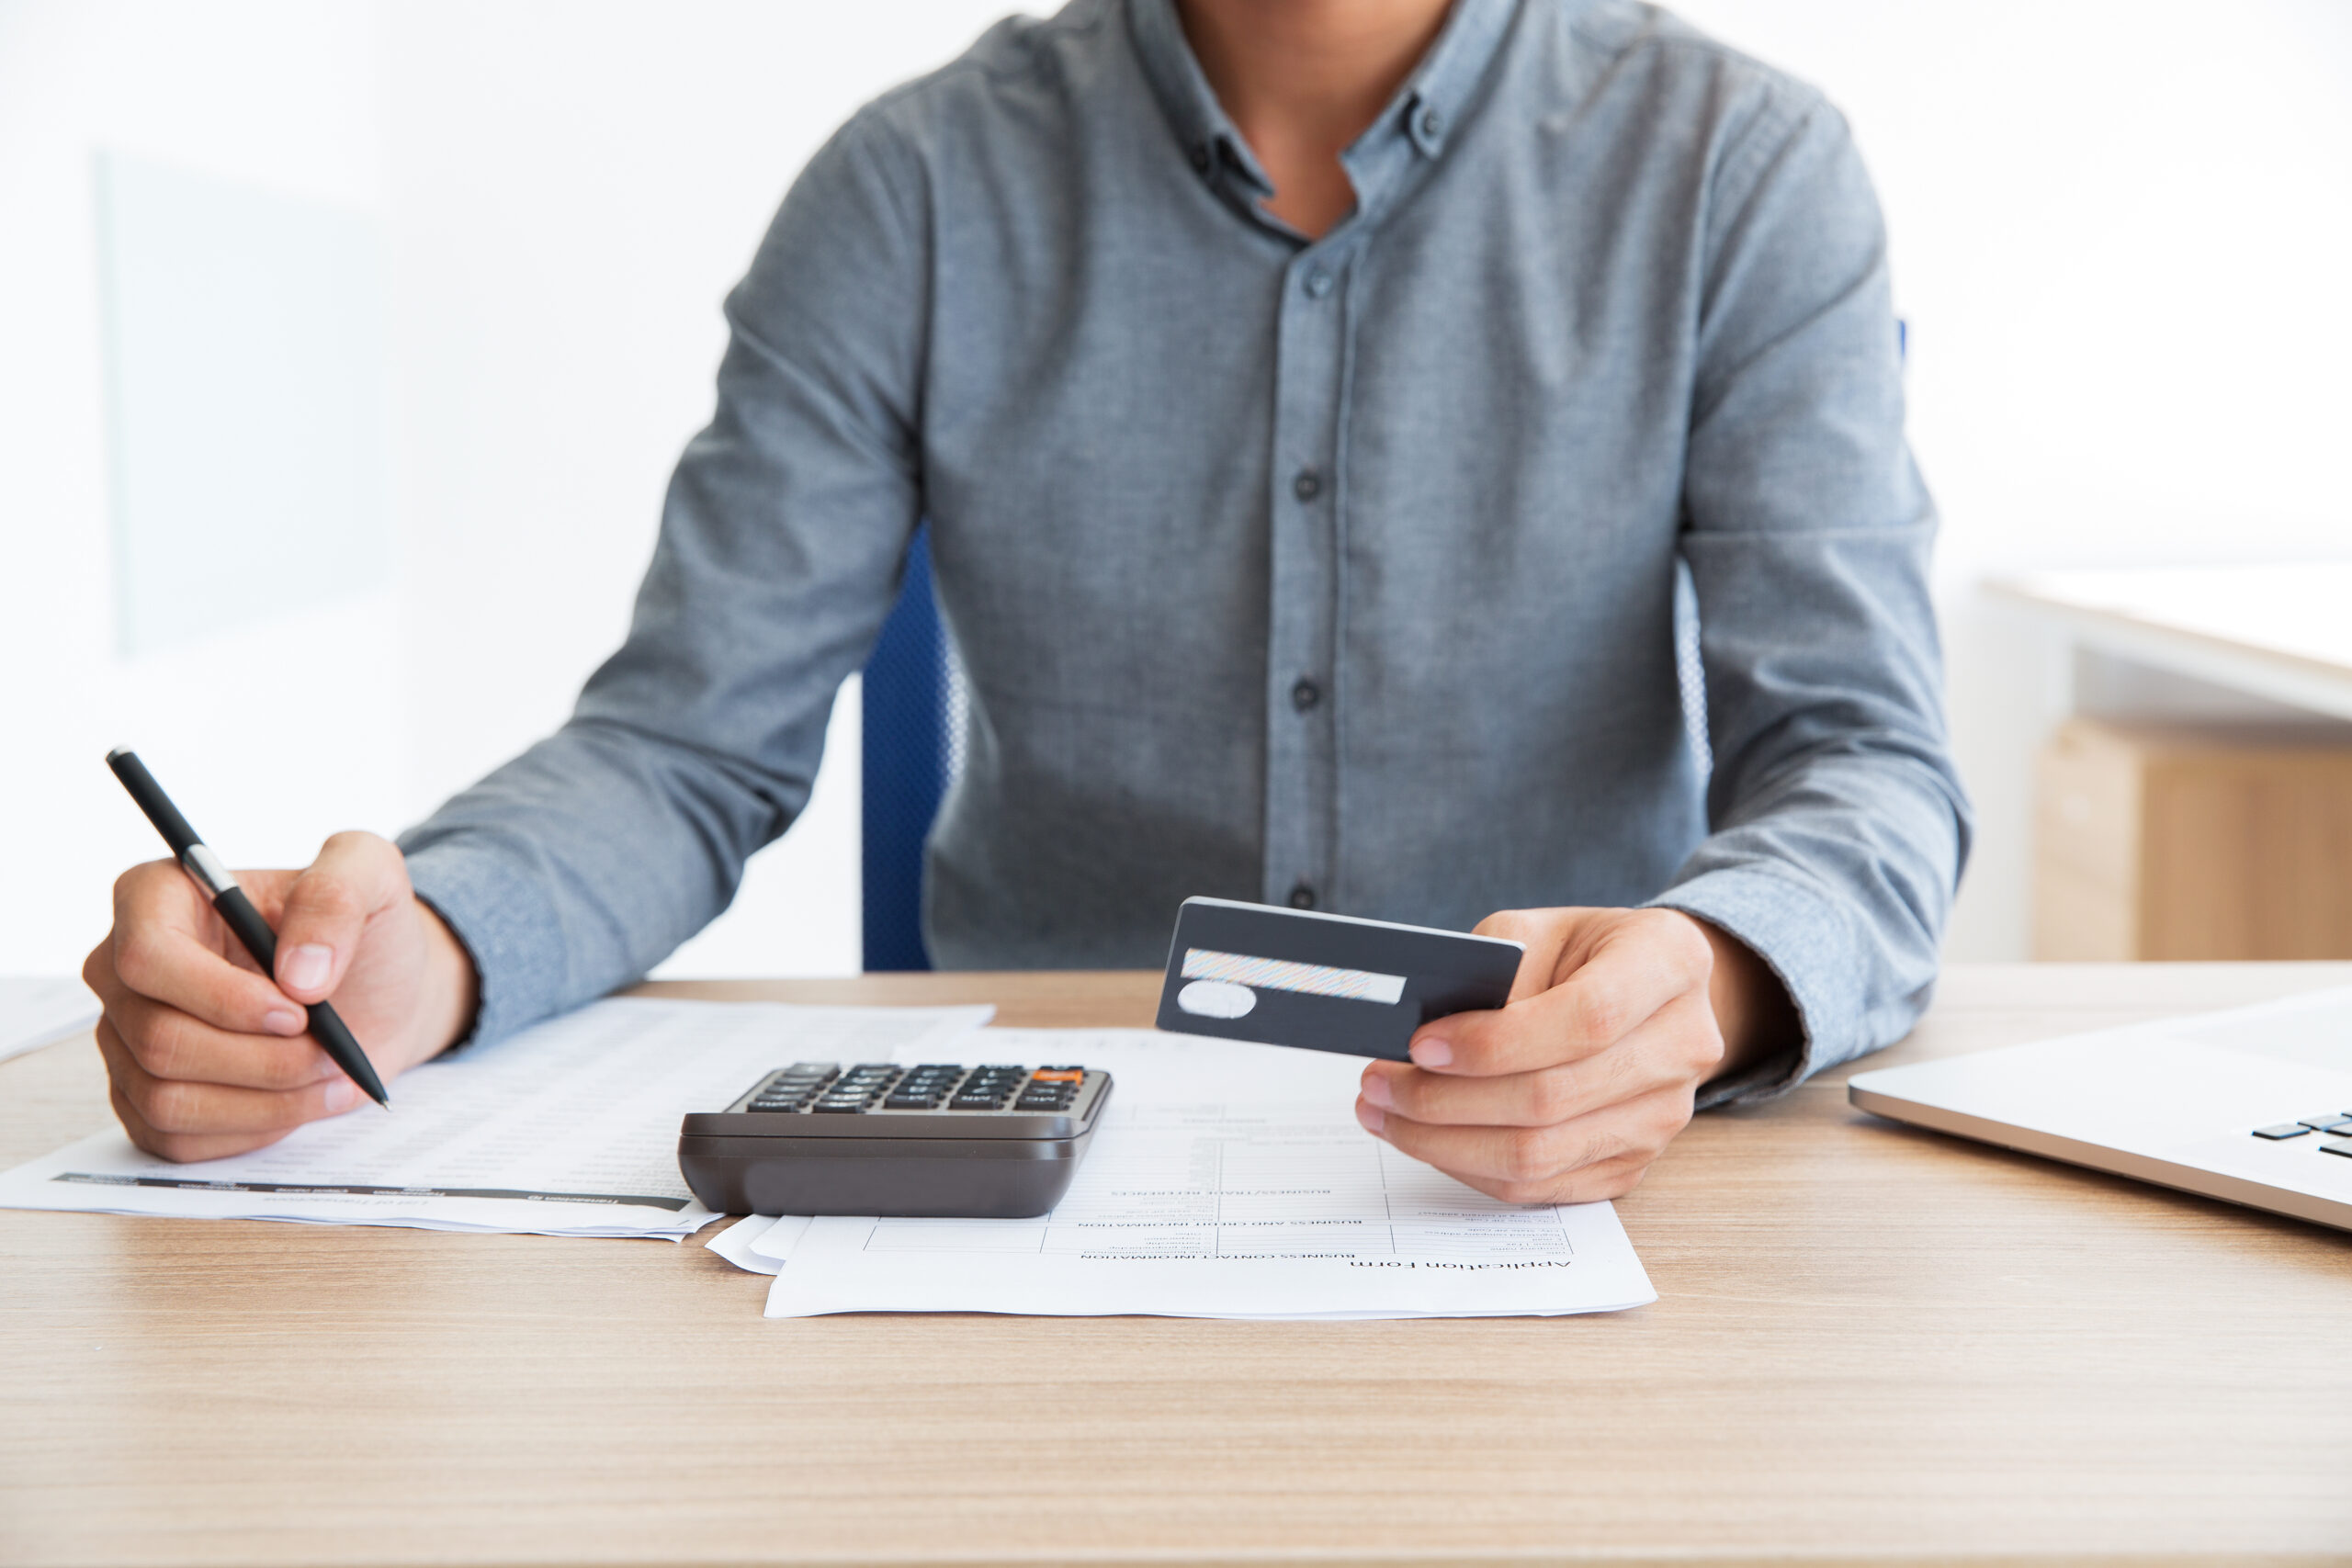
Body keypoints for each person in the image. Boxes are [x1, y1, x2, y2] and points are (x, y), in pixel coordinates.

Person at [83, 0, 1970, 1202]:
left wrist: (1706, 984)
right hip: (1026, 1173)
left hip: (1579, 1171)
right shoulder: (911, 184)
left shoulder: (1740, 171)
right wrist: (431, 947)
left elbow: (1862, 766)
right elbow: (678, 746)